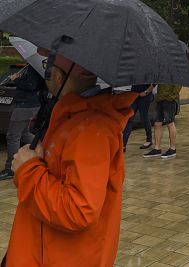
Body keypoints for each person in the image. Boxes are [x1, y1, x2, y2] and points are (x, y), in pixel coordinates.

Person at [5, 51, 138, 266]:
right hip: (41, 249)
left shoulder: (90, 129)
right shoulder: (71, 116)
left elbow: (79, 210)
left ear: (58, 75)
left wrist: (28, 169)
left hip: (58, 257)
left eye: (48, 66)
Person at [0, 66, 43, 182]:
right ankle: (45, 149)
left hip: (25, 106)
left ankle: (10, 169)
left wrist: (16, 79)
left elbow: (31, 85)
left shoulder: (33, 68)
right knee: (24, 134)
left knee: (12, 136)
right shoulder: (29, 68)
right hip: (25, 105)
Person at [143, 84, 181, 159]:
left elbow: (178, 85)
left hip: (169, 101)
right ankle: (157, 148)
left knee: (170, 123)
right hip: (160, 99)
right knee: (157, 123)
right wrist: (147, 91)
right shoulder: (161, 76)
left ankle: (172, 149)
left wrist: (171, 98)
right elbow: (155, 83)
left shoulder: (174, 76)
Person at [122, 84, 154, 152]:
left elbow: (154, 83)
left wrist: (146, 92)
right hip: (134, 94)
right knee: (129, 118)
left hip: (145, 95)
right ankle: (123, 145)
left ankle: (149, 140)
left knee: (144, 117)